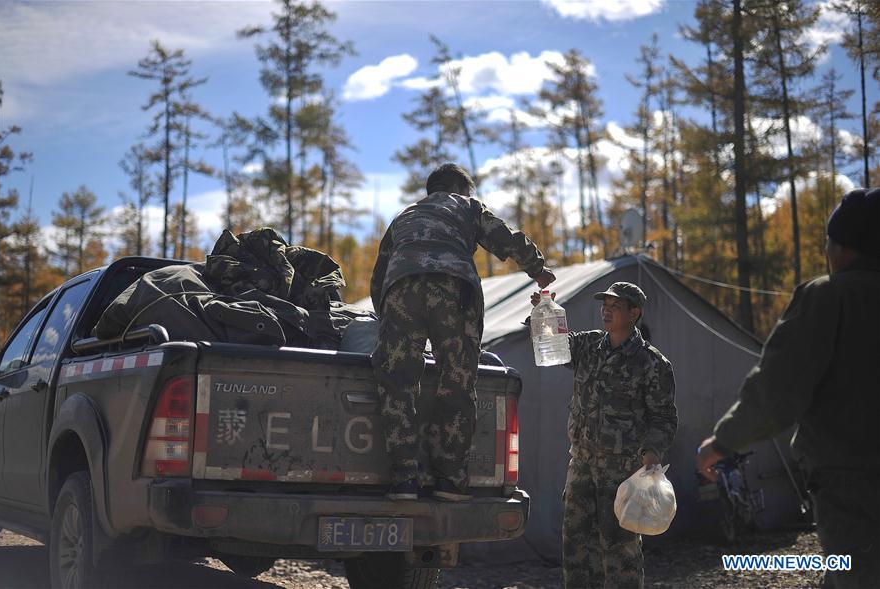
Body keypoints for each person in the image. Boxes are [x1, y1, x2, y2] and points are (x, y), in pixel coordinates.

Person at [697, 187, 880, 589]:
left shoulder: (830, 297)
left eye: (829, 242)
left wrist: (724, 443)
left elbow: (779, 391)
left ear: (843, 247)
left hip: (853, 486)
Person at [370, 163, 556, 501]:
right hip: (453, 289)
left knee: (397, 382)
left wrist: (385, 317)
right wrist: (537, 267)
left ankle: (404, 480)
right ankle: (451, 481)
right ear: (459, 188)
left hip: (402, 289)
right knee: (456, 380)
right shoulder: (464, 204)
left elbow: (379, 273)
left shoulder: (404, 217)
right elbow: (503, 235)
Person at [532, 281, 677, 589]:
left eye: (615, 307)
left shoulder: (651, 363)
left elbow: (663, 417)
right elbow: (555, 348)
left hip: (621, 473)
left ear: (634, 313)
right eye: (604, 306)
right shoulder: (589, 346)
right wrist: (542, 312)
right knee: (576, 547)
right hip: (581, 466)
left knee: (619, 548)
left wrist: (651, 453)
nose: (606, 311)